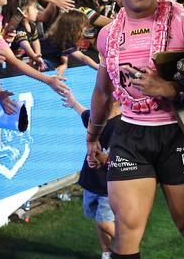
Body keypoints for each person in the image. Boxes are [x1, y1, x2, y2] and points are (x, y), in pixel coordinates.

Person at [86, 0, 184, 259]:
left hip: (178, 133)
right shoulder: (107, 35)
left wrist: (170, 88)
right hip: (130, 135)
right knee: (127, 229)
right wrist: (92, 136)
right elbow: (103, 92)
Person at [62, 91, 119, 259]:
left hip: (108, 185)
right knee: (97, 219)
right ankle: (107, 251)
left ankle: (129, 244)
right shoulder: (96, 119)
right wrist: (72, 102)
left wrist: (105, 158)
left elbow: (127, 154)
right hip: (91, 180)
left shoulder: (123, 124)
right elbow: (83, 112)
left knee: (103, 221)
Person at [40, 9, 99, 75]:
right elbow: (81, 57)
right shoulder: (53, 39)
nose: (85, 28)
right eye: (83, 26)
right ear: (74, 28)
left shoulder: (67, 39)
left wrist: (97, 67)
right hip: (44, 61)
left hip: (54, 61)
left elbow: (81, 57)